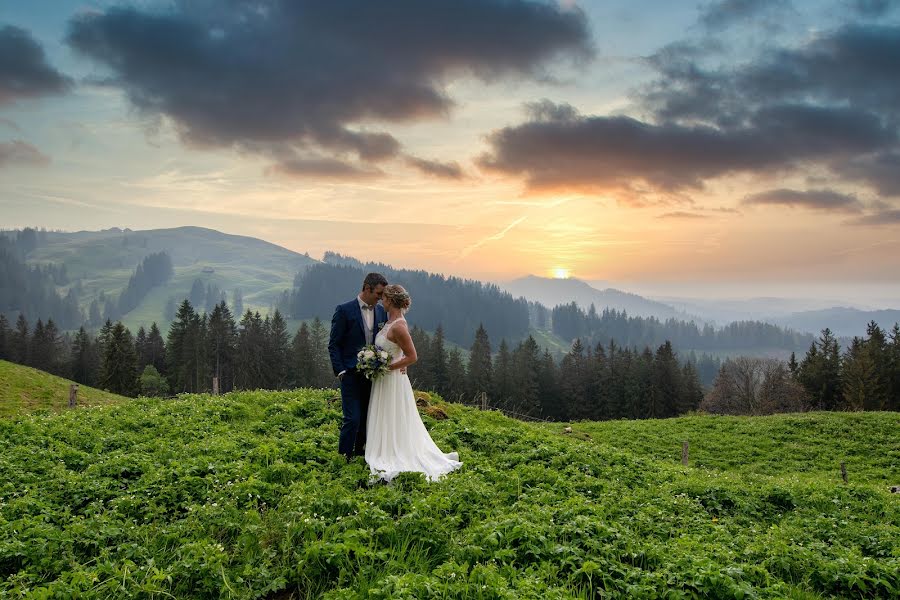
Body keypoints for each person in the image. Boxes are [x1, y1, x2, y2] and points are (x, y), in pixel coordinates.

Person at [365, 284, 462, 482]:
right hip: (384, 380)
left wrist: (386, 367)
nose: (381, 301)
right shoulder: (389, 321)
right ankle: (385, 447)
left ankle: (394, 452)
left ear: (390, 300)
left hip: (392, 380)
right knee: (385, 415)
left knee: (393, 416)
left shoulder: (399, 325)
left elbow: (412, 356)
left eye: (384, 298)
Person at [328, 272, 388, 460]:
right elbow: (334, 344)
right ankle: (344, 456)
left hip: (373, 375)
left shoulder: (381, 312)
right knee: (352, 418)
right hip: (350, 373)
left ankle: (362, 453)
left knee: (367, 417)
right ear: (367, 288)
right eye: (378, 293)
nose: (380, 298)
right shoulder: (344, 310)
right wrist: (341, 371)